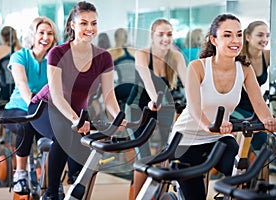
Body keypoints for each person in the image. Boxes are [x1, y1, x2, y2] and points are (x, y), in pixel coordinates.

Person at [165, 14, 276, 200]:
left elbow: (258, 103)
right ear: (214, 40)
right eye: (227, 35)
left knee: (242, 175)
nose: (235, 40)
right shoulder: (197, 67)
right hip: (186, 139)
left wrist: (268, 121)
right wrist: (208, 125)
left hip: (219, 138)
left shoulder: (244, 69)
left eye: (239, 35)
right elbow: (194, 108)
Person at [29, 2, 127, 199]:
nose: (89, 29)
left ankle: (75, 188)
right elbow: (56, 95)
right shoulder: (57, 53)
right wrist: (76, 120)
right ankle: (51, 193)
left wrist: (117, 118)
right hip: (45, 107)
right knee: (64, 134)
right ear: (73, 25)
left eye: (93, 23)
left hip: (77, 111)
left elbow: (109, 96)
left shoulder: (104, 57)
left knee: (83, 148)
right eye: (83, 23)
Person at [128, 18, 187, 199]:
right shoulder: (143, 54)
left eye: (169, 34)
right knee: (143, 159)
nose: (165, 39)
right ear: (152, 36)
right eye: (160, 34)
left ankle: (157, 194)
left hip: (164, 108)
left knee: (166, 154)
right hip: (139, 109)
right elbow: (146, 79)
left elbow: (189, 84)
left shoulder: (176, 56)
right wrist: (154, 100)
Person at [0, 17, 58, 196]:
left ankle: (52, 180)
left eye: (50, 34)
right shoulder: (19, 56)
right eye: (41, 33)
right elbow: (22, 83)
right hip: (16, 108)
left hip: (42, 110)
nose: (45, 37)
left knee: (59, 132)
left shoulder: (53, 59)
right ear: (33, 35)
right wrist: (34, 109)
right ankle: (20, 175)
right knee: (27, 124)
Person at [231, 21, 270, 151]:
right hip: (236, 107)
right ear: (247, 37)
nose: (265, 39)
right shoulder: (240, 58)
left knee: (264, 138)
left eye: (267, 35)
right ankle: (238, 167)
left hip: (254, 105)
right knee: (257, 133)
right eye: (260, 35)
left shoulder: (267, 55)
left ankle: (259, 169)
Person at [108, 28, 136, 110]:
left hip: (122, 88)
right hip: (135, 88)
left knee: (108, 100)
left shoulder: (111, 52)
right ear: (126, 38)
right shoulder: (133, 51)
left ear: (115, 38)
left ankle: (112, 120)